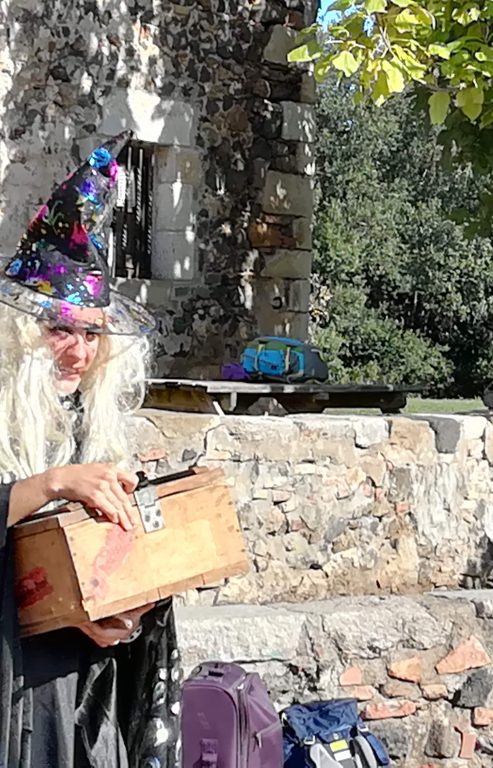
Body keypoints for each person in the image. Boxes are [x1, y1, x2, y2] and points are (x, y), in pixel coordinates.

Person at [0, 132, 181, 766]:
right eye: (60, 329)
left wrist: (127, 613)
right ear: (21, 334)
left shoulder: (90, 422)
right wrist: (54, 483)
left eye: (92, 334)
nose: (79, 352)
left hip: (79, 690)